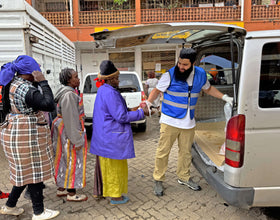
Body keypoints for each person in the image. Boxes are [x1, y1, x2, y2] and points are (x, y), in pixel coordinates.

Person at [145, 48, 233, 196]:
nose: (181, 67)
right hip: (169, 121)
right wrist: (147, 103)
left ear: (192, 63)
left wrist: (225, 97)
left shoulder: (200, 74)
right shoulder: (170, 74)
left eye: (185, 64)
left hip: (188, 122)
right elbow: (156, 91)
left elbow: (208, 89)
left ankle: (184, 177)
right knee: (163, 152)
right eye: (179, 63)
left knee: (185, 153)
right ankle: (158, 179)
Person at [0, 55, 59, 219]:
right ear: (30, 72)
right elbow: (48, 104)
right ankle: (39, 212)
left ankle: (9, 206)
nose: (38, 72)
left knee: (24, 172)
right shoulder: (25, 88)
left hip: (15, 132)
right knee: (33, 172)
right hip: (25, 135)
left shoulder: (12, 84)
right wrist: (43, 82)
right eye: (37, 70)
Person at [90, 60, 149, 205]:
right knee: (114, 169)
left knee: (113, 168)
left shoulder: (104, 90)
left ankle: (114, 193)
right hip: (111, 139)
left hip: (106, 137)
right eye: (116, 78)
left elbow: (117, 111)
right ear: (110, 79)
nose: (118, 80)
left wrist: (134, 109)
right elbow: (121, 116)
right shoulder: (110, 93)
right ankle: (116, 197)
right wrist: (142, 113)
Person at [51, 68, 88, 202]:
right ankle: (72, 193)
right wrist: (77, 140)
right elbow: (71, 119)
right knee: (72, 159)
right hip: (68, 131)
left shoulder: (67, 92)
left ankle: (62, 188)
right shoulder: (69, 95)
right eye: (76, 77)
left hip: (62, 130)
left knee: (63, 158)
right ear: (68, 80)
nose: (78, 79)